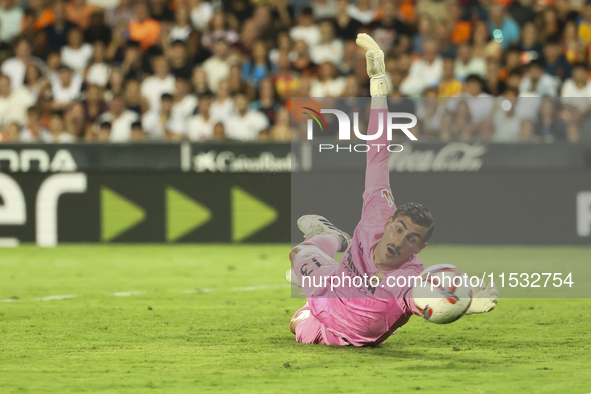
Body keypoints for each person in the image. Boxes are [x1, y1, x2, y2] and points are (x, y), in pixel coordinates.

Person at [287, 34, 498, 346]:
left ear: (419, 249)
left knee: (297, 324)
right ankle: (335, 237)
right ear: (389, 223)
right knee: (297, 254)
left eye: (412, 238)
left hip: (343, 334)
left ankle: (320, 269)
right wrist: (379, 85)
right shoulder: (377, 211)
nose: (400, 240)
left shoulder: (409, 278)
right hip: (329, 287)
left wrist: (464, 303)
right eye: (399, 228)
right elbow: (378, 149)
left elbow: (429, 296)